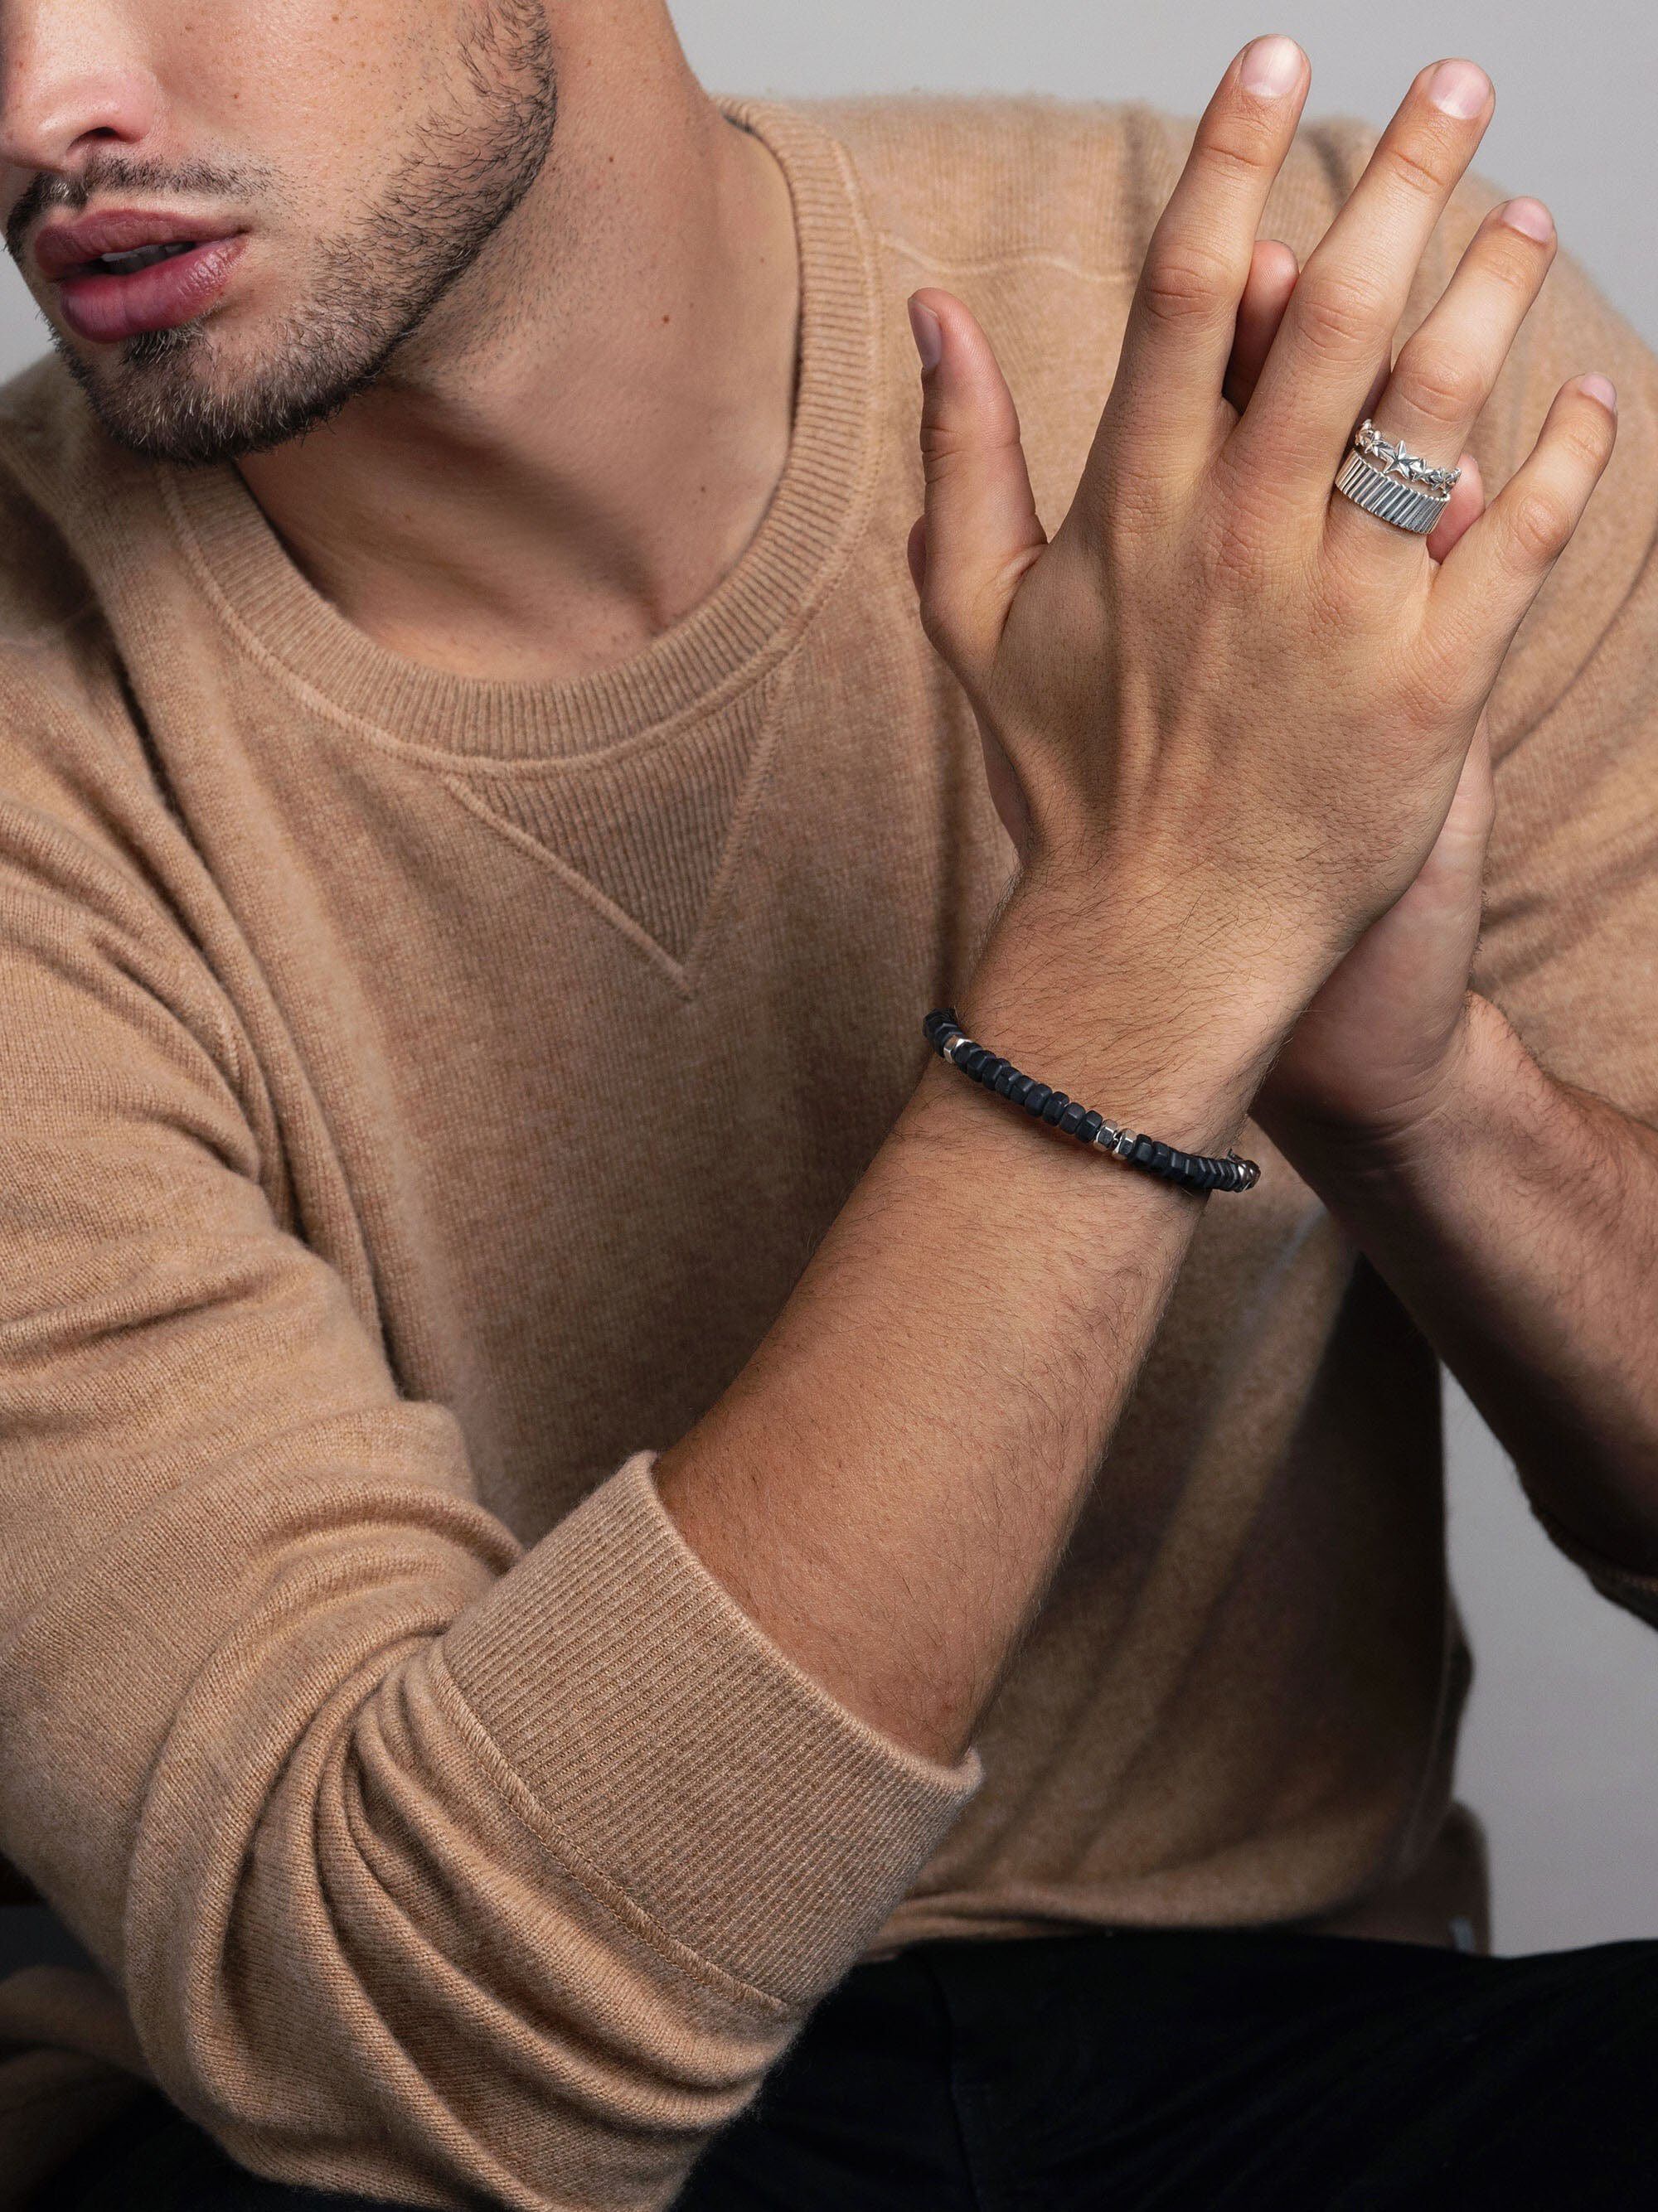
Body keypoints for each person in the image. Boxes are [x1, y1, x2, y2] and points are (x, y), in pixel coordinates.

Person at [0, 2, 1653, 2206]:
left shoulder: (1336, 376)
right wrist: (1155, 945)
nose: (40, 111)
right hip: (394, 2150)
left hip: (1290, 2046)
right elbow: (419, 2038)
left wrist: (1420, 1093)